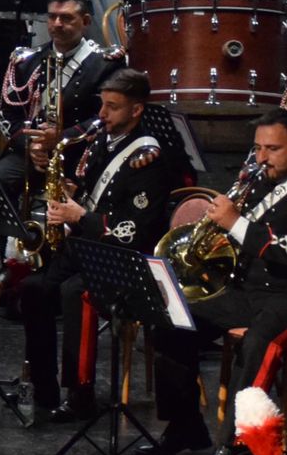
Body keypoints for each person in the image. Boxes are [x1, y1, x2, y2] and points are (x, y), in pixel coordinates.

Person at [18, 69, 174, 424]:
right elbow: (97, 196)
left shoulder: (148, 158)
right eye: (102, 105)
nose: (102, 115)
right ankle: (45, 389)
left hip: (123, 258)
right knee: (32, 288)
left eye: (112, 107)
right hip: (85, 247)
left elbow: (131, 229)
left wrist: (80, 215)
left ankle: (80, 393)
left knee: (77, 294)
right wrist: (71, 194)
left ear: (136, 111)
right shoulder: (102, 141)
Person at [149, 109, 287, 455]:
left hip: (283, 296)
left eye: (272, 149)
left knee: (257, 345)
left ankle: (234, 447)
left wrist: (235, 223)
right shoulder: (259, 179)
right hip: (245, 289)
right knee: (172, 321)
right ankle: (185, 426)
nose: (261, 158)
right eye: (257, 148)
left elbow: (283, 250)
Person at [0, 0, 121, 200]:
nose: (57, 23)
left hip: (82, 155)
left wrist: (61, 138)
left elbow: (107, 118)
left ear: (86, 21)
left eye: (67, 18)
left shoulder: (105, 64)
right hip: (33, 154)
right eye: (52, 17)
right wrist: (32, 145)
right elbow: (8, 116)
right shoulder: (26, 61)